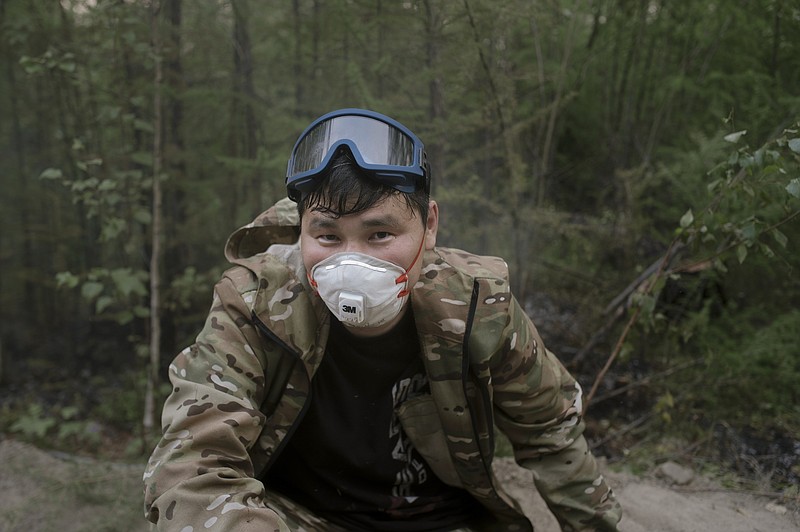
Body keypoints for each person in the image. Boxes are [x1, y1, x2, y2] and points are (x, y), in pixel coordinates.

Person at [143, 108, 622, 531]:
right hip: (297, 518)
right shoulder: (255, 303)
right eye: (327, 236)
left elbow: (551, 432)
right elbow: (191, 464)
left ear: (428, 225)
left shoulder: (479, 305)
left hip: (442, 521)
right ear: (301, 232)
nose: (351, 263)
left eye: (380, 234)